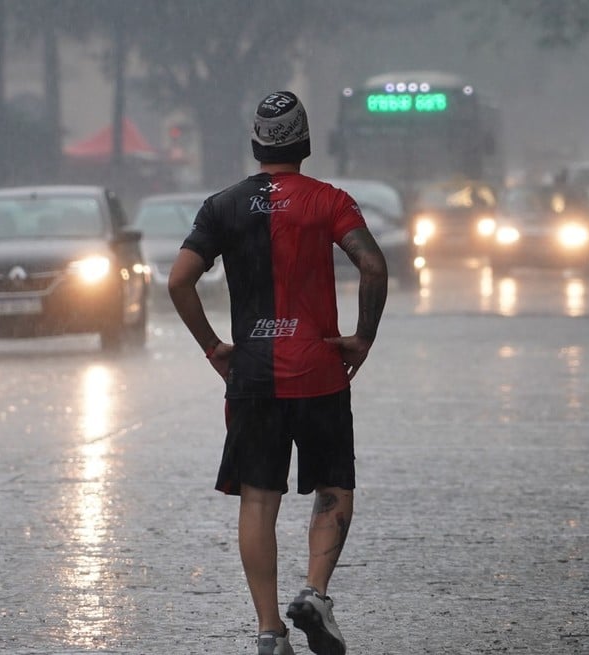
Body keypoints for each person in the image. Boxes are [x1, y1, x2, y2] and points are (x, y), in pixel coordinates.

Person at [169, 90, 387, 655]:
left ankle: (269, 631)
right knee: (334, 485)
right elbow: (372, 265)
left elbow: (177, 282)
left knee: (258, 500)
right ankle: (314, 592)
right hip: (319, 373)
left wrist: (215, 347)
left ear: (255, 142)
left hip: (253, 377)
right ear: (306, 143)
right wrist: (361, 339)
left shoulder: (222, 207)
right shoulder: (330, 201)